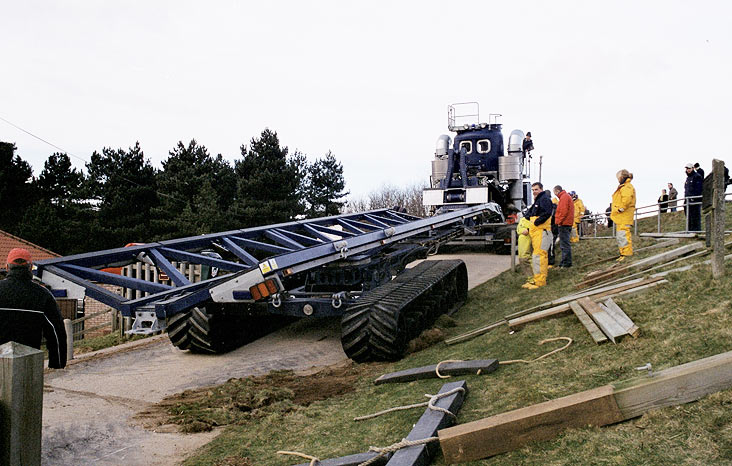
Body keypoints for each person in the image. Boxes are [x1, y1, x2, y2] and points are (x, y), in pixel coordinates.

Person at [0, 248, 67, 369]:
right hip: (28, 362)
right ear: (30, 268)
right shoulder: (42, 295)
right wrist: (57, 362)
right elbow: (56, 330)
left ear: (7, 267)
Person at [522, 182, 553, 290]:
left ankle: (540, 282)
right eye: (533, 190)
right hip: (536, 232)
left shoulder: (544, 199)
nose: (534, 191)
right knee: (536, 256)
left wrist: (536, 222)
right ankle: (537, 279)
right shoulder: (538, 200)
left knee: (539, 256)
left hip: (542, 231)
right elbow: (530, 213)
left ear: (541, 189)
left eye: (536, 189)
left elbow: (547, 212)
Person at [610, 169, 636, 261]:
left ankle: (626, 254)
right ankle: (623, 253)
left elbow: (627, 199)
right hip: (621, 216)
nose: (618, 179)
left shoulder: (627, 187)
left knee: (623, 235)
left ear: (622, 177)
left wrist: (620, 208)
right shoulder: (625, 187)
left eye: (618, 177)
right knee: (621, 235)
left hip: (624, 215)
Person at [553, 185, 574, 268]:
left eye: (554, 192)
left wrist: (558, 222)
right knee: (564, 244)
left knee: (564, 244)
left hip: (564, 224)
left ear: (557, 191)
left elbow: (563, 211)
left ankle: (566, 263)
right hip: (566, 223)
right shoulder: (565, 196)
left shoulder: (564, 198)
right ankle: (565, 262)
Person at [684, 162, 703, 231]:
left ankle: (696, 231)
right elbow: (686, 189)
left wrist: (694, 198)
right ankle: (689, 230)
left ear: (692, 168)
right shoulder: (688, 178)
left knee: (695, 216)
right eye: (687, 168)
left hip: (695, 200)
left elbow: (698, 189)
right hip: (687, 200)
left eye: (689, 168)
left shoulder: (697, 176)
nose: (688, 170)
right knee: (688, 217)